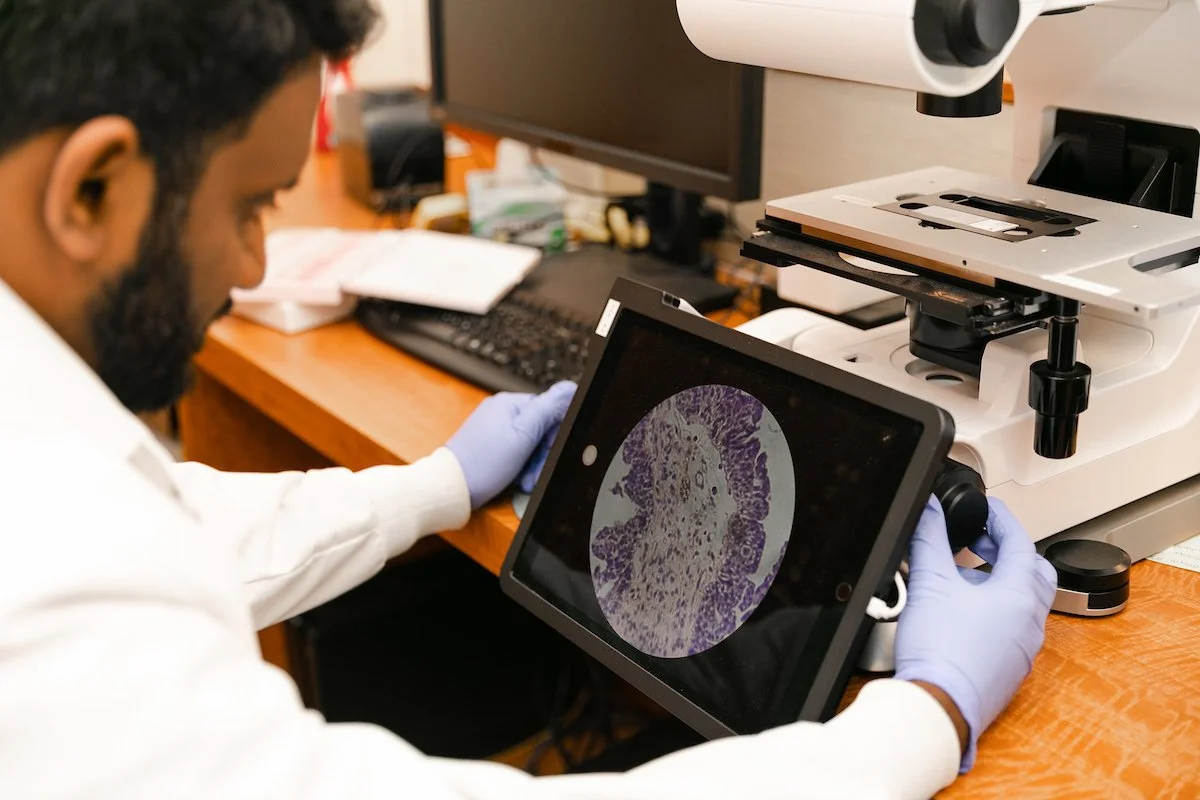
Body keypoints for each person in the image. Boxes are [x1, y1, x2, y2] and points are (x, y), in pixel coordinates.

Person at [0, 2, 1058, 797]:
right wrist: (927, 713)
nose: (249, 263)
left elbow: (158, 526)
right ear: (89, 187)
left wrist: (429, 486)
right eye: (248, 203)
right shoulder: (54, 620)